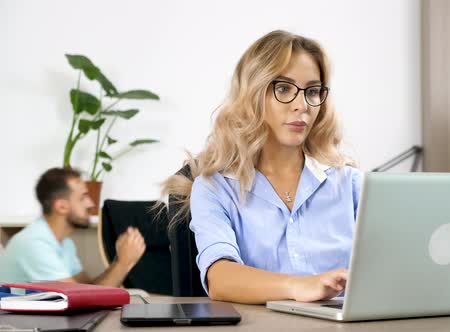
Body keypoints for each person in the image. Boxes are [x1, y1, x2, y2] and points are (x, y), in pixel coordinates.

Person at [162, 30, 362, 304]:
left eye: (312, 91)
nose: (301, 105)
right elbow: (220, 278)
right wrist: (299, 286)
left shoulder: (349, 183)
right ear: (253, 94)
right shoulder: (215, 188)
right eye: (283, 89)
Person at [0, 167, 146, 286]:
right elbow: (79, 301)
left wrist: (121, 261)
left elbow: (89, 290)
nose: (91, 204)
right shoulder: (34, 244)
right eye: (83, 197)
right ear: (61, 206)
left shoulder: (65, 243)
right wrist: (123, 263)